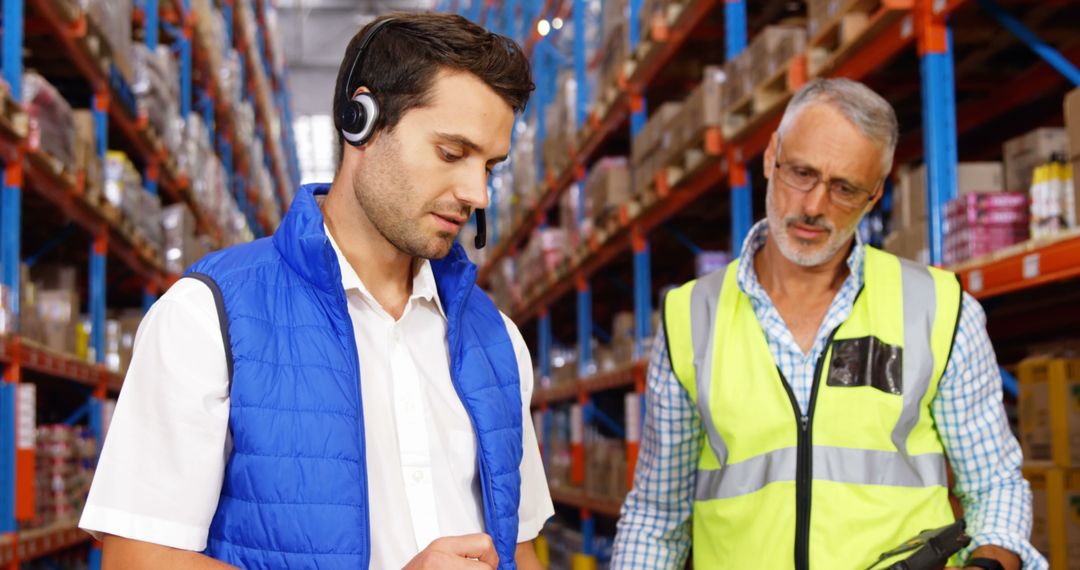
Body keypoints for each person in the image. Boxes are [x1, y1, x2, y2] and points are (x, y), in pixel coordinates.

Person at [79, 12, 552, 569]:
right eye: (451, 153)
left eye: (490, 166)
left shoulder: (498, 340)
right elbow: (137, 560)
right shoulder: (209, 317)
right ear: (362, 120)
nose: (478, 193)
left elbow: (519, 547)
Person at [611, 78, 1045, 570]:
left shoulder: (937, 308)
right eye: (802, 173)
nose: (815, 206)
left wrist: (989, 563)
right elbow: (656, 517)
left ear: (875, 193)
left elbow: (995, 485)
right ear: (772, 154)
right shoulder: (692, 317)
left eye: (844, 188)